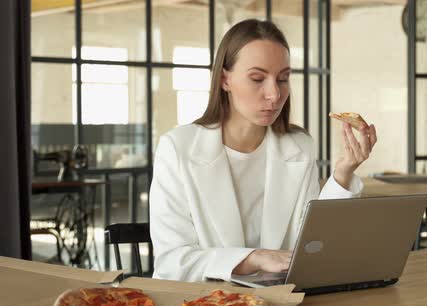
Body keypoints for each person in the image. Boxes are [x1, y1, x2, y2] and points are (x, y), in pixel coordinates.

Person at [149, 19, 377, 282]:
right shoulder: (178, 149)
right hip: (206, 305)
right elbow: (172, 263)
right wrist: (252, 258)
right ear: (225, 79)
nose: (274, 94)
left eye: (282, 79)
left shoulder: (299, 146)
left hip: (285, 302)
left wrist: (343, 172)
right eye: (257, 78)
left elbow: (314, 243)